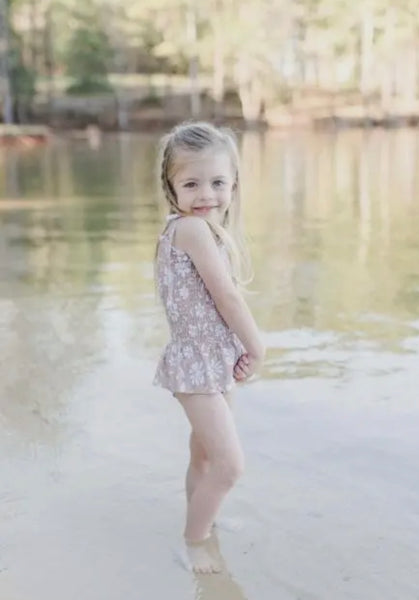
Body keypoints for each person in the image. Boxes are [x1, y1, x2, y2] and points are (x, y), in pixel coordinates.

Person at [153, 121, 265, 574]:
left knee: (203, 457)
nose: (206, 194)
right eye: (191, 183)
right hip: (196, 365)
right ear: (171, 186)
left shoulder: (196, 231)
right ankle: (195, 539)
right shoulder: (193, 231)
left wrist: (234, 349)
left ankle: (204, 520)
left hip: (210, 361)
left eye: (218, 182)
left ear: (233, 185)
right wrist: (257, 346)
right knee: (230, 465)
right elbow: (227, 297)